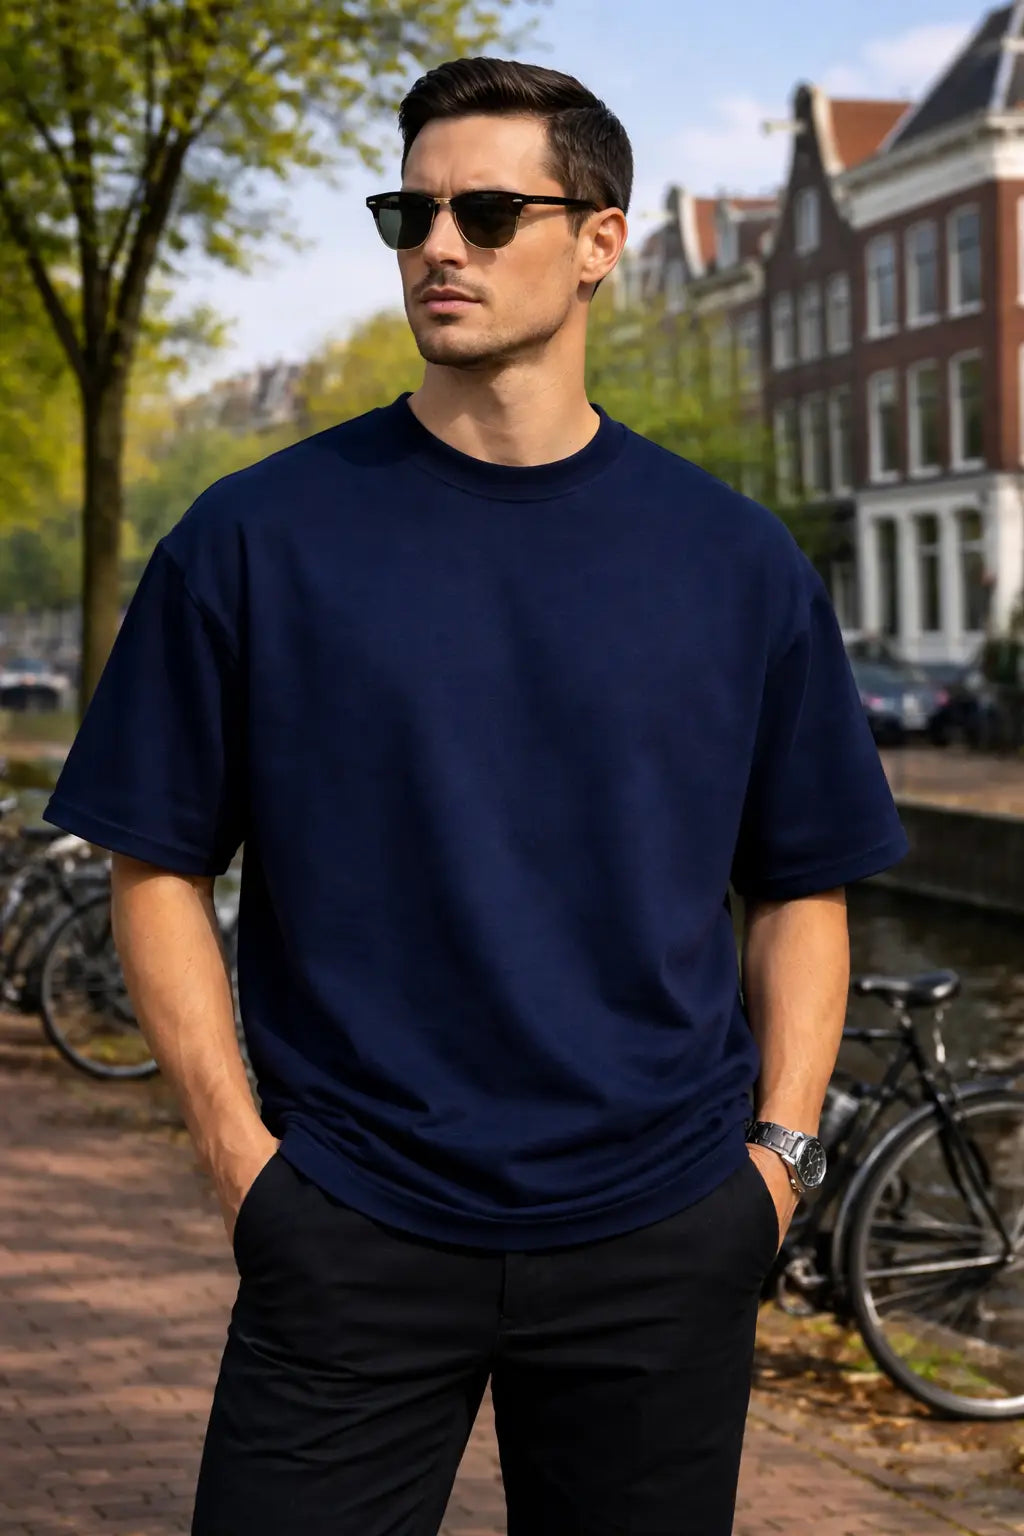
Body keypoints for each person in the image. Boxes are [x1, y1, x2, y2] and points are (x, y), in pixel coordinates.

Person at [43, 57, 908, 1536]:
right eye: (413, 213)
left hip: (662, 1232)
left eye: (490, 213)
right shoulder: (254, 539)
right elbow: (156, 860)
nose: (439, 245)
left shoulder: (735, 561)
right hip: (348, 1226)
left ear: (600, 241)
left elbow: (800, 885)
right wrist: (243, 1165)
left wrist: (777, 1164)